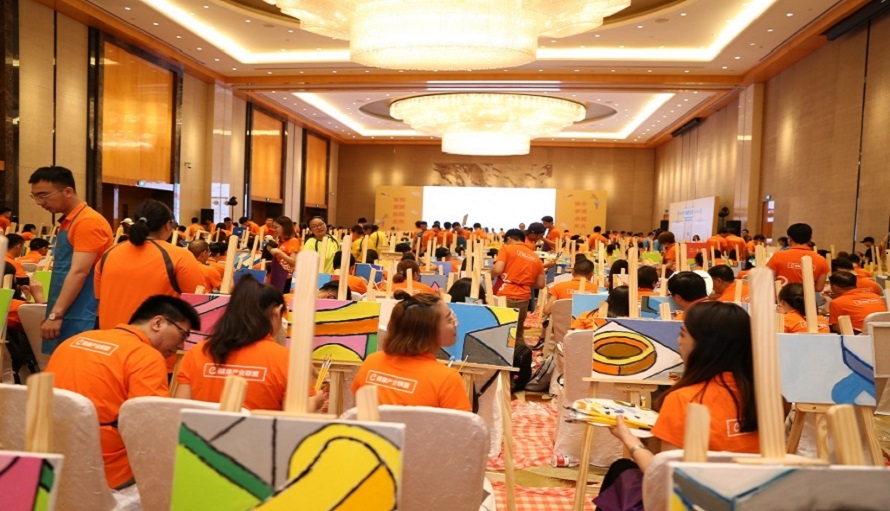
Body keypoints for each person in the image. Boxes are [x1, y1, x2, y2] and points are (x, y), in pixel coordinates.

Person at [594, 301, 759, 509]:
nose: (678, 341)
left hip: (693, 503)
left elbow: (665, 477)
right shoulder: (765, 396)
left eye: (682, 334)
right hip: (749, 501)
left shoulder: (684, 399)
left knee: (621, 470)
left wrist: (629, 439)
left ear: (704, 345)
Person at [47, 295, 200, 489]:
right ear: (158, 323)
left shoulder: (74, 341)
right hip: (107, 470)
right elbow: (153, 426)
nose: (181, 346)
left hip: (51, 458)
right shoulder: (145, 357)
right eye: (183, 335)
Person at [176, 278, 323, 411]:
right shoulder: (288, 360)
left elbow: (180, 409)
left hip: (201, 433)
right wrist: (316, 400)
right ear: (277, 311)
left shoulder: (198, 352)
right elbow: (295, 415)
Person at [29, 166, 113, 352]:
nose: (39, 202)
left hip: (85, 309)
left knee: (79, 364)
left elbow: (79, 272)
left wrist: (55, 315)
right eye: (35, 196)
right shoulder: (70, 221)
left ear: (68, 191)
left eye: (43, 195)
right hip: (70, 306)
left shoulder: (88, 222)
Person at [95, 199, 205, 331]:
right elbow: (199, 301)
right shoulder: (179, 256)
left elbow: (100, 299)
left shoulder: (109, 254)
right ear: (168, 225)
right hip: (152, 340)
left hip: (108, 337)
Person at [352, 293, 470, 411]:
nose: (456, 324)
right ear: (427, 332)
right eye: (449, 320)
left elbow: (356, 413)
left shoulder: (372, 362)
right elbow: (461, 422)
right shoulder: (447, 379)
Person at [491, 229, 545, 345]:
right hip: (524, 297)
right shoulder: (536, 258)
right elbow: (540, 284)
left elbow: (498, 269)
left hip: (504, 294)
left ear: (509, 239)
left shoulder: (506, 248)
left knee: (499, 331)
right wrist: (524, 281)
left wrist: (490, 275)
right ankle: (520, 355)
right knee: (517, 332)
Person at [766, 223, 829, 290]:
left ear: (789, 239)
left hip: (782, 295)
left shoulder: (778, 256)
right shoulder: (821, 260)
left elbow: (767, 280)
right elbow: (819, 288)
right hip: (806, 296)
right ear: (810, 238)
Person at [267, 215, 302, 292]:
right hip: (277, 275)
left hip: (287, 277)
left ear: (285, 227)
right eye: (274, 227)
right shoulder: (280, 241)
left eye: (276, 227)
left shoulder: (293, 241)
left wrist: (280, 253)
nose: (274, 230)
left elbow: (294, 261)